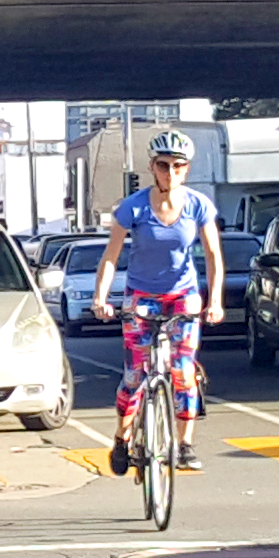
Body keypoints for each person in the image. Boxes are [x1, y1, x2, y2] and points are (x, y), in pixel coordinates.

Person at [98, 133, 222, 471]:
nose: (171, 172)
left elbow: (212, 256)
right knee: (136, 374)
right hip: (142, 295)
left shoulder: (198, 205)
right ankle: (122, 438)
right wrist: (101, 298)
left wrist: (215, 301)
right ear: (152, 168)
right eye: (163, 166)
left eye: (178, 166)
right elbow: (110, 257)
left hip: (183, 294)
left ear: (186, 169)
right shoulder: (133, 207)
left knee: (183, 373)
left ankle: (184, 445)